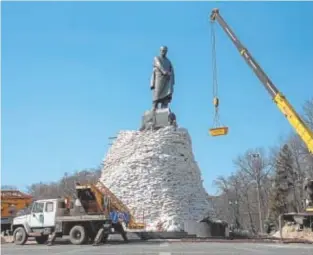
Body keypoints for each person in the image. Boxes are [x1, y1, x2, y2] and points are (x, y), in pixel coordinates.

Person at [150, 46, 175, 110]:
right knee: (157, 92)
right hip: (159, 78)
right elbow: (158, 64)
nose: (163, 52)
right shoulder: (156, 58)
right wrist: (164, 71)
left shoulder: (168, 61)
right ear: (160, 50)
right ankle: (154, 107)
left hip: (167, 79)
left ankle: (164, 107)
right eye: (162, 50)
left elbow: (171, 69)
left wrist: (170, 74)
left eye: (165, 51)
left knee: (166, 94)